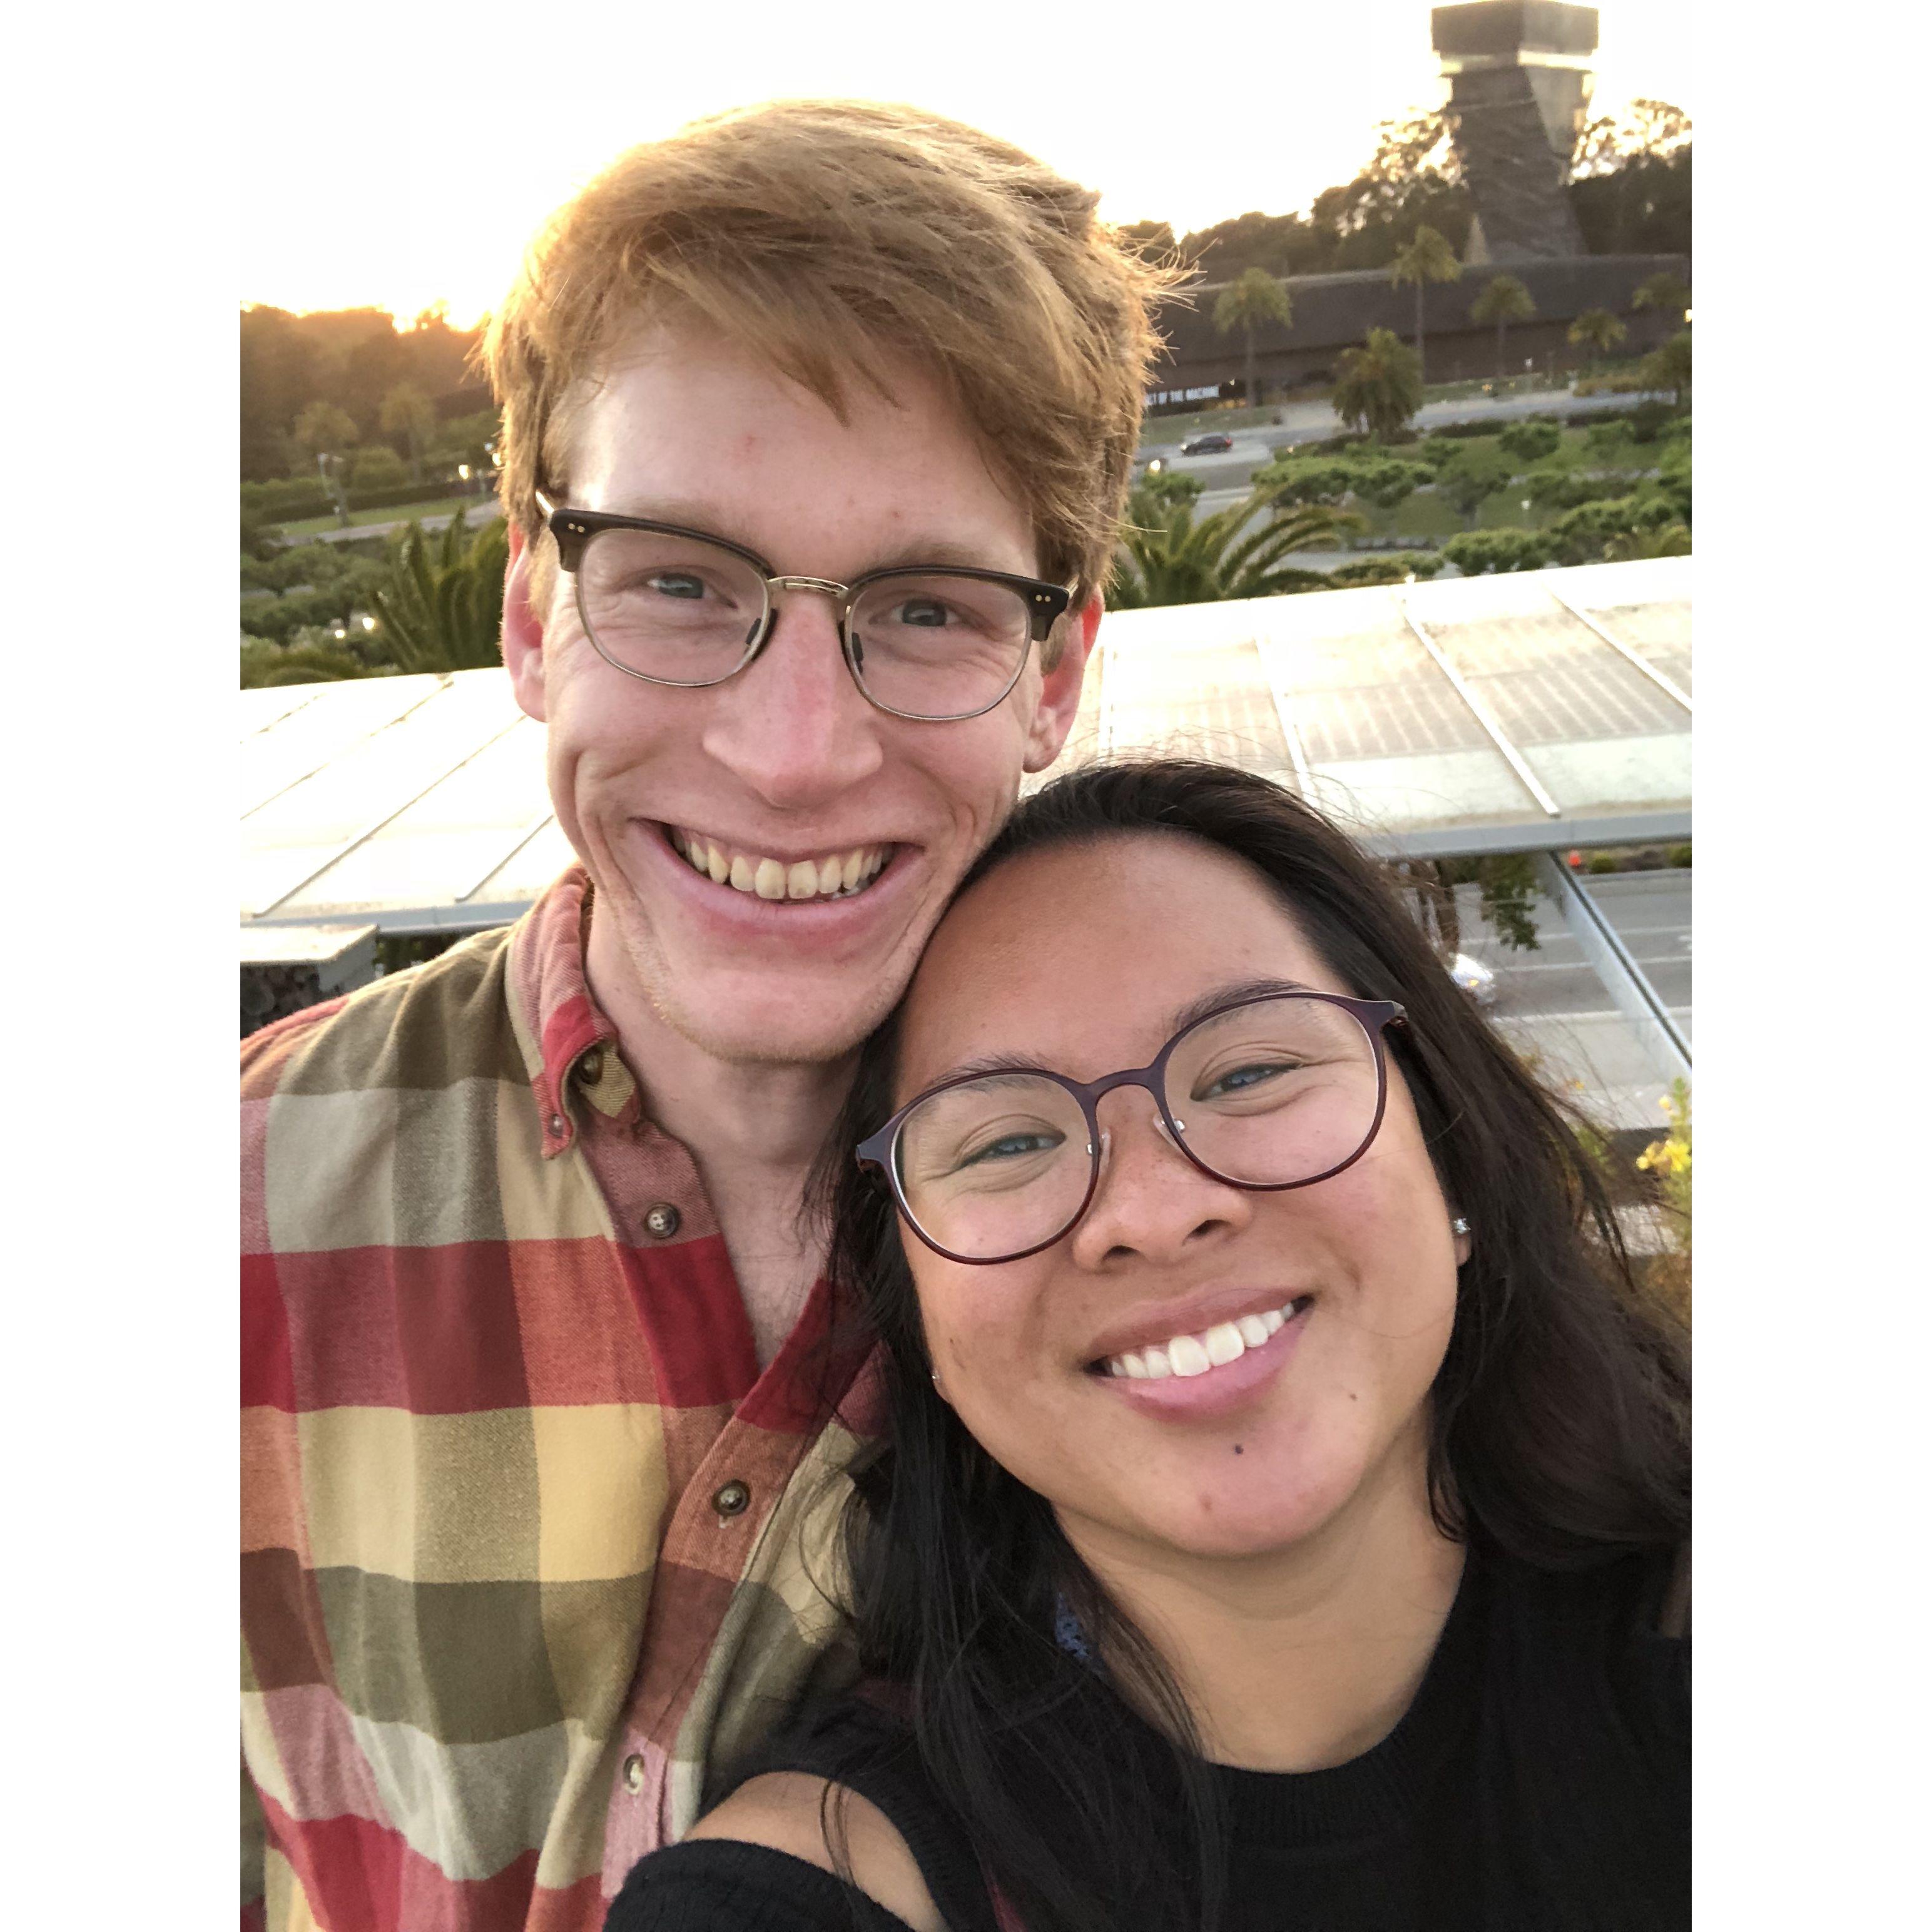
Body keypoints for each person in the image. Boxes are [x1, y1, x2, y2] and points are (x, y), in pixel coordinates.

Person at [240, 102, 1171, 1931]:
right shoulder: (213, 1222)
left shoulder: (1239, 1240)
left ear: (1054, 672)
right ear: (530, 614)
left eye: (923, 607)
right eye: (678, 580)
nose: (796, 753)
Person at [607, 759, 1692, 1932]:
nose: (1154, 1211)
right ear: (916, 1314)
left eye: (1252, 1071)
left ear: (1449, 1151)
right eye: (1006, 1144)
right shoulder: (817, 1886)